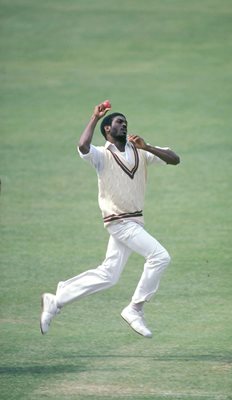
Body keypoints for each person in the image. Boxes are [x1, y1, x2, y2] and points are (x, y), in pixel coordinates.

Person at [40, 101, 180, 338]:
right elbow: (83, 145)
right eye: (118, 122)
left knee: (109, 274)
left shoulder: (139, 150)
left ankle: (57, 299)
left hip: (134, 221)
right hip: (119, 222)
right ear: (107, 129)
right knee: (160, 256)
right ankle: (134, 309)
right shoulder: (101, 155)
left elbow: (175, 159)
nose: (124, 125)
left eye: (125, 122)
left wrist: (148, 147)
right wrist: (94, 117)